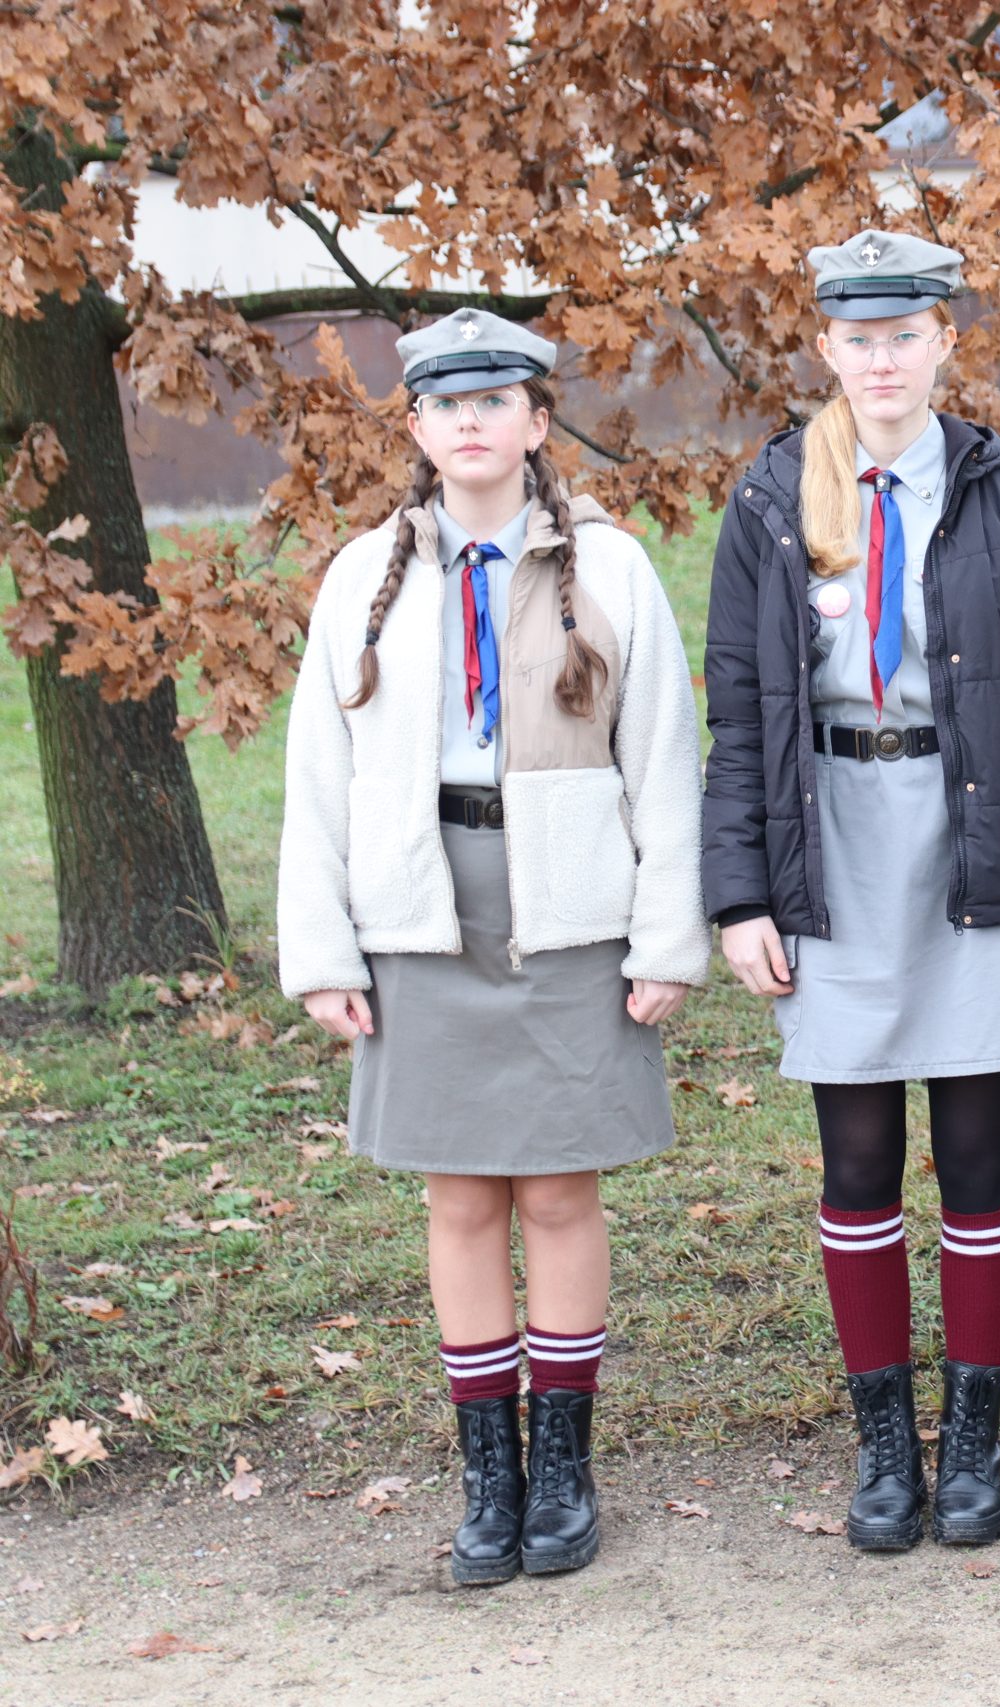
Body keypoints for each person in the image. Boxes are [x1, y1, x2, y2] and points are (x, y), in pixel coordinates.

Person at [277, 308, 708, 1586]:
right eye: (445, 406)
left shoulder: (609, 567)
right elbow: (317, 775)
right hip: (421, 903)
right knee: (460, 1196)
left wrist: (665, 936)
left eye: (495, 402)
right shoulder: (362, 578)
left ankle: (563, 1471)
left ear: (535, 421)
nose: (470, 424)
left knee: (562, 1190)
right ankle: (490, 1479)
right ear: (416, 427)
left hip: (567, 901)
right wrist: (324, 951)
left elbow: (664, 758)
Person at [700, 230, 1000, 1550]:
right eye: (859, 339)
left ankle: (972, 1446)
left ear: (944, 342)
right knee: (858, 1156)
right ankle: (886, 1449)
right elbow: (741, 715)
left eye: (906, 336)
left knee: (978, 1153)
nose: (882, 360)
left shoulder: (997, 492)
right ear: (827, 347)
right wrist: (740, 898)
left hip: (968, 836)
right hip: (833, 844)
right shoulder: (771, 498)